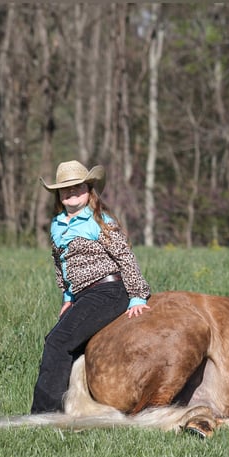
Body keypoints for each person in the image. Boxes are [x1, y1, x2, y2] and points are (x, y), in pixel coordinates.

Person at [31, 160, 151, 414]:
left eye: (77, 187)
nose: (71, 192)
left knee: (57, 342)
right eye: (65, 189)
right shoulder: (56, 225)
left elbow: (125, 257)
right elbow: (59, 264)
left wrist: (138, 296)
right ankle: (73, 405)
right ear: (58, 195)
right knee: (60, 340)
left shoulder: (100, 220)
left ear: (88, 190)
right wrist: (67, 296)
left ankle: (44, 415)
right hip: (83, 295)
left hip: (108, 291)